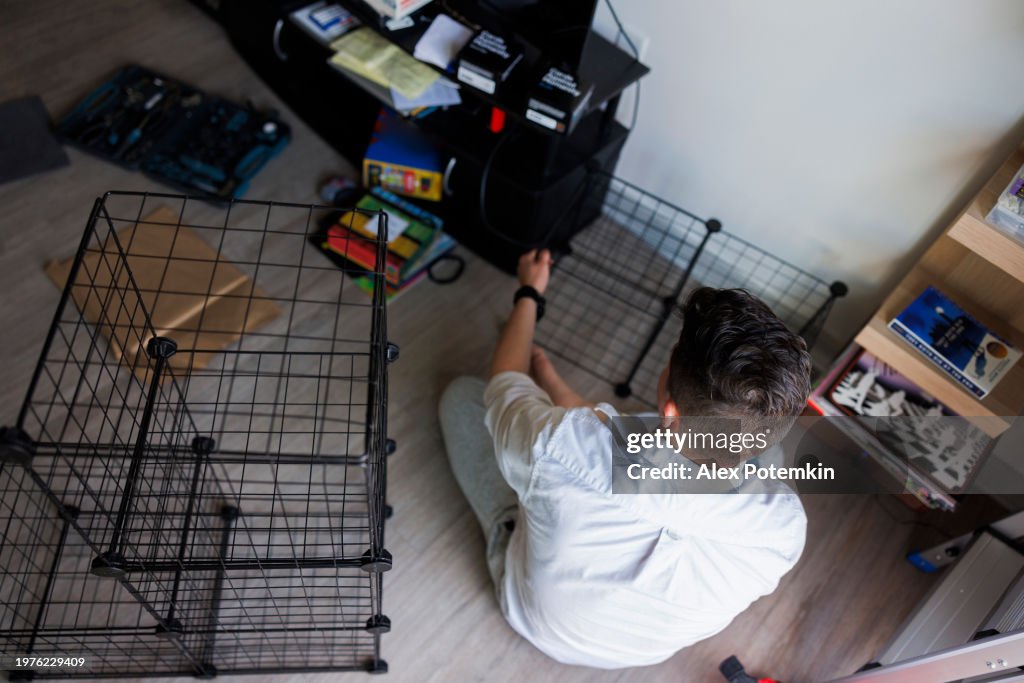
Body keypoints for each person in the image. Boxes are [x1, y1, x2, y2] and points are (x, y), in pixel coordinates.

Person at [438, 248, 810, 669]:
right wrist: (556, 386)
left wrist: (529, 291)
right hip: (639, 652)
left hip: (533, 618)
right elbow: (610, 450)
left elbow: (504, 380)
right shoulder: (786, 527)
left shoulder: (560, 446)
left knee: (463, 398)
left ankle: (506, 526)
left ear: (669, 409)